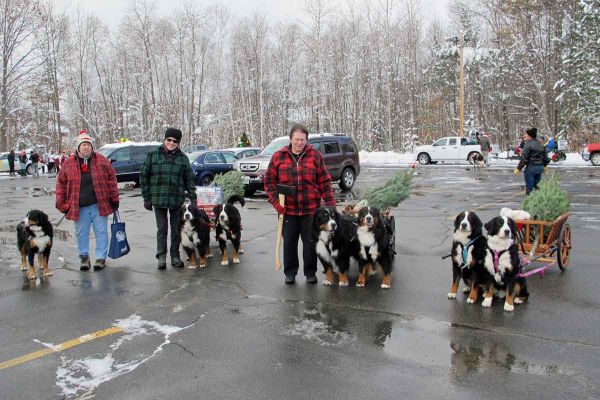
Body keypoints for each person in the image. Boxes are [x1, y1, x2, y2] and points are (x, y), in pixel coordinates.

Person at [264, 124, 336, 285]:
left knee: (310, 244)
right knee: (289, 243)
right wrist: (276, 202)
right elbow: (268, 181)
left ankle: (310, 273)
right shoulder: (279, 156)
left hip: (310, 210)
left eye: (302, 140)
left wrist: (331, 204)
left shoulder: (315, 156)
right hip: (287, 210)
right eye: (296, 139)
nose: (299, 143)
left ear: (306, 140)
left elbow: (324, 181)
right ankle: (290, 272)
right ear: (290, 139)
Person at [55, 131, 120, 271]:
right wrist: (62, 205)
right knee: (81, 233)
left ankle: (100, 258)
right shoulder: (68, 164)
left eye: (88, 145)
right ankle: (84, 257)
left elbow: (112, 180)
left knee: (101, 232)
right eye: (83, 145)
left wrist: (114, 198)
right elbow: (61, 184)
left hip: (99, 204)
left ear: (92, 147)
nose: (86, 147)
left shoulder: (102, 160)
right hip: (79, 206)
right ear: (78, 147)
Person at [140, 128, 197, 270]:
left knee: (176, 229)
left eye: (175, 141)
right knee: (162, 229)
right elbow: (144, 177)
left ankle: (175, 256)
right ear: (165, 140)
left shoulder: (183, 158)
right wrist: (146, 198)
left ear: (178, 143)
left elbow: (189, 180)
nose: (171, 143)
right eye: (169, 140)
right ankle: (161, 256)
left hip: (176, 200)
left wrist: (193, 198)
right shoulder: (153, 155)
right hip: (158, 198)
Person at [514, 127, 549, 195]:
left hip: (531, 169)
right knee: (537, 185)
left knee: (529, 187)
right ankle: (539, 200)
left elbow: (524, 159)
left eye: (526, 135)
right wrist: (545, 166)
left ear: (530, 136)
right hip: (540, 168)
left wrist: (518, 168)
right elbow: (545, 157)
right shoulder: (540, 144)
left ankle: (530, 201)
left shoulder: (528, 145)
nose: (525, 136)